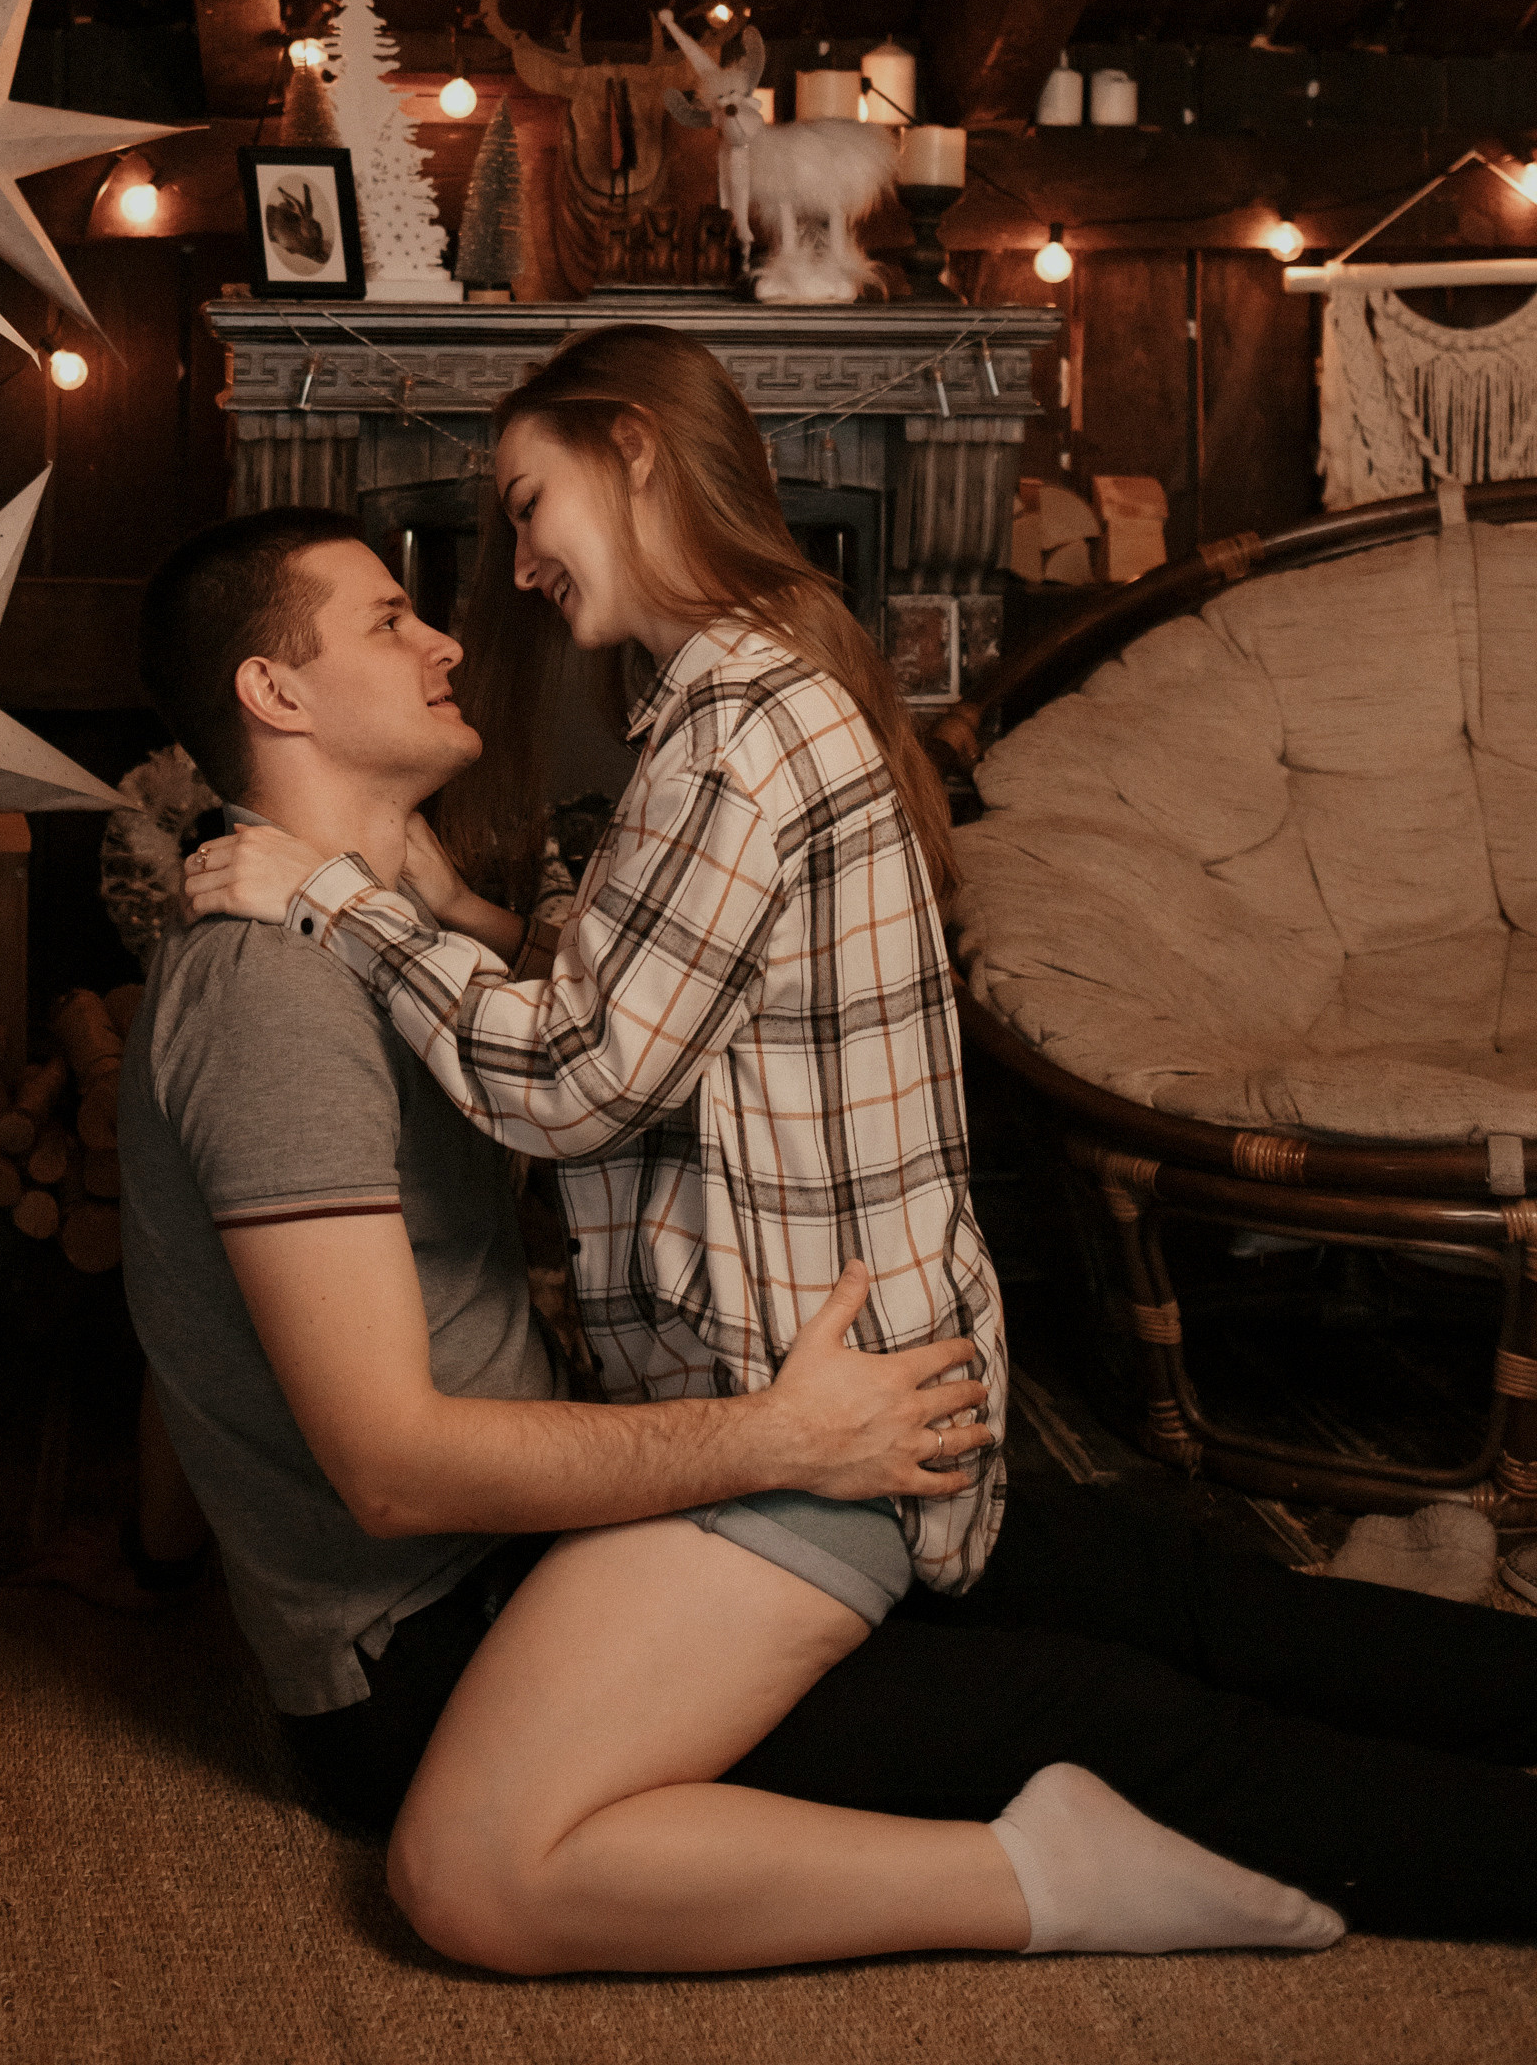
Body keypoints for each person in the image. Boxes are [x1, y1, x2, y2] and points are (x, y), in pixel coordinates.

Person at [124, 492, 1537, 1965]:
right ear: (272, 691)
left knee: (1139, 1579)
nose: (444, 639)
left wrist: (158, 1559)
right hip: (441, 1639)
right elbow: (392, 1469)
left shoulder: (358, 933)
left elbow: (196, 1299)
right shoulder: (271, 998)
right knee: (1098, 1714)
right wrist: (785, 1438)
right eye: (386, 619)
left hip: (562, 1539)